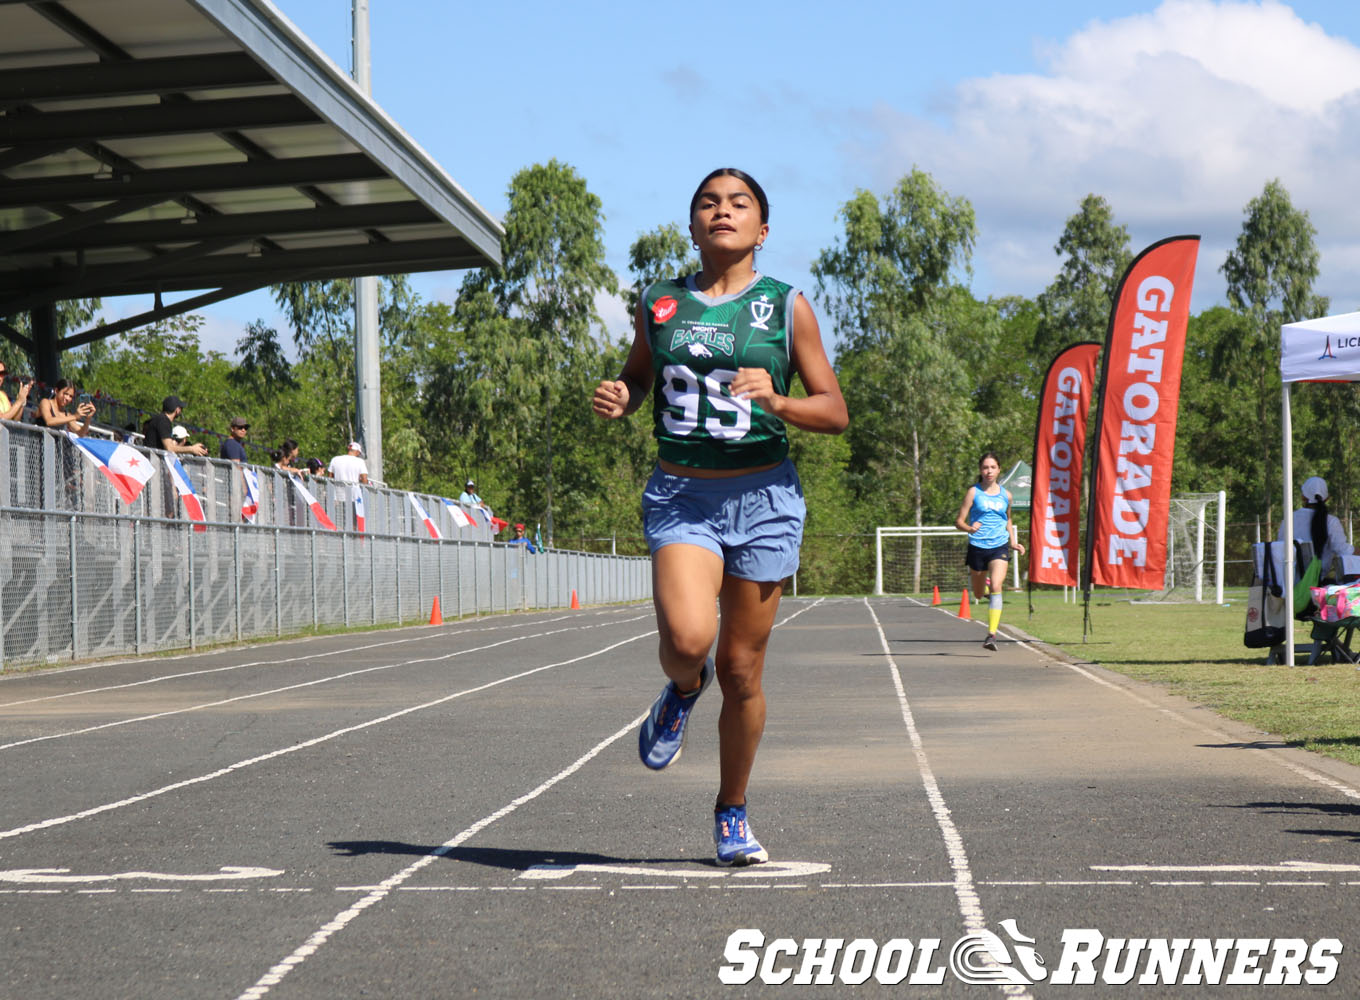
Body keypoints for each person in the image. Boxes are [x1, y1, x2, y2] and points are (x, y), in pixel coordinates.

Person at [592, 167, 847, 867]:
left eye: (739, 203)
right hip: (683, 497)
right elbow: (640, 374)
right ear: (693, 225)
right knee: (687, 639)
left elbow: (835, 411)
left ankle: (731, 809)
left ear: (762, 230)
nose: (722, 211)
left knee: (741, 671)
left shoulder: (786, 306)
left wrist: (781, 401)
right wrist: (624, 395)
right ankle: (680, 688)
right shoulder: (661, 304)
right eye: (709, 202)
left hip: (764, 499)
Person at [955, 452, 1026, 651]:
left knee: (997, 585)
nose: (989, 471)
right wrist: (969, 528)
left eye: (992, 467)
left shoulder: (1006, 495)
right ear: (980, 470)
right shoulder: (973, 492)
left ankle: (991, 635)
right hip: (977, 546)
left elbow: (1008, 519)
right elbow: (958, 521)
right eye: (985, 467)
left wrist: (1013, 542)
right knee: (978, 594)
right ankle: (982, 586)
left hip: (999, 546)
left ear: (998, 469)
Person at [1282, 476, 1353, 580]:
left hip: (1288, 584)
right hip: (1317, 585)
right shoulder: (1331, 522)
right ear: (1327, 498)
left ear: (1303, 497)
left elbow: (1280, 547)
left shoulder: (1288, 520)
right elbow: (1344, 550)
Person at [143, 396, 207, 456]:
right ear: (177, 410)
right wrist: (192, 449)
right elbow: (169, 448)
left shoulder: (159, 418)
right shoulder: (163, 421)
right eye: (181, 408)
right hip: (152, 460)